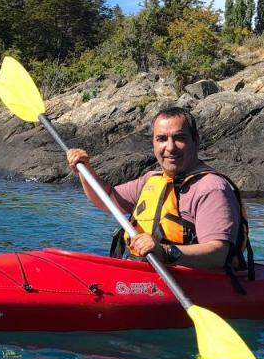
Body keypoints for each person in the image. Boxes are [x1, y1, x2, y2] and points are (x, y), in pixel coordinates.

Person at [65, 106, 252, 277]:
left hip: (194, 283)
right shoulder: (151, 180)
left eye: (179, 138)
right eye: (162, 139)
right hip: (144, 275)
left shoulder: (211, 188)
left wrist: (165, 252)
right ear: (154, 144)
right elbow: (105, 200)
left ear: (195, 140)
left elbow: (218, 254)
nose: (170, 147)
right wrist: (84, 169)